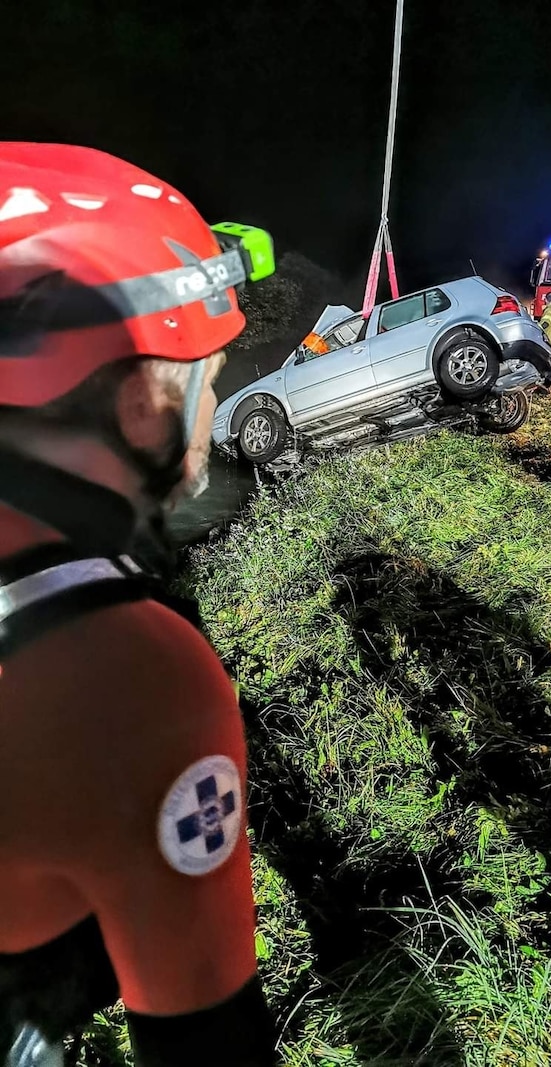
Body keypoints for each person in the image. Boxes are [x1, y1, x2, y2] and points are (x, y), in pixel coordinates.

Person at [0, 144, 275, 1064]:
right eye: (211, 375)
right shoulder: (133, 682)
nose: (215, 407)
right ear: (143, 404)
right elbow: (209, 1046)